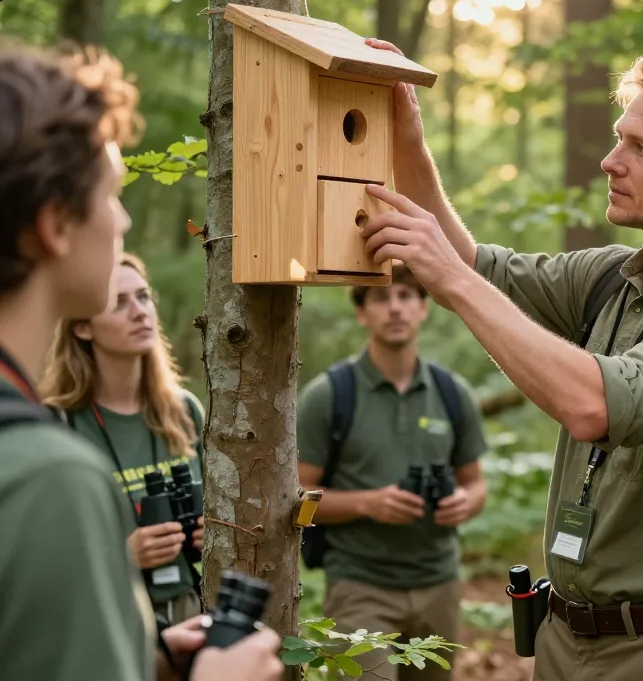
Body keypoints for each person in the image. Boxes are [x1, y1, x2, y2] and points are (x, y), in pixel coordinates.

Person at [356, 42, 643, 680]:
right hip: (562, 638)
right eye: (619, 140)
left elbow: (594, 403)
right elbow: (473, 262)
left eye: (641, 149)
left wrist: (449, 280)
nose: (609, 162)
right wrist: (408, 139)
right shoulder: (610, 279)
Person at [0, 42, 282, 681]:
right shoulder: (48, 477)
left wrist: (146, 659)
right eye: (111, 195)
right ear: (55, 225)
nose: (124, 218)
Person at [296, 264, 488, 681]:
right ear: (362, 313)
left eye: (405, 296)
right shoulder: (329, 396)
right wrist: (367, 503)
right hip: (359, 586)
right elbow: (297, 496)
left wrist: (463, 503)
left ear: (424, 307)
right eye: (381, 298)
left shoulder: (453, 394)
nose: (395, 308)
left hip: (440, 583)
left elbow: (475, 485)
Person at [40, 251, 207, 626]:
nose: (139, 311)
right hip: (108, 620)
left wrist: (212, 534)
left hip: (191, 611)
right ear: (82, 327)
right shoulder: (57, 424)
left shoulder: (184, 410)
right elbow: (38, 554)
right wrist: (122, 555)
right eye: (118, 302)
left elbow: (226, 509)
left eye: (144, 297)